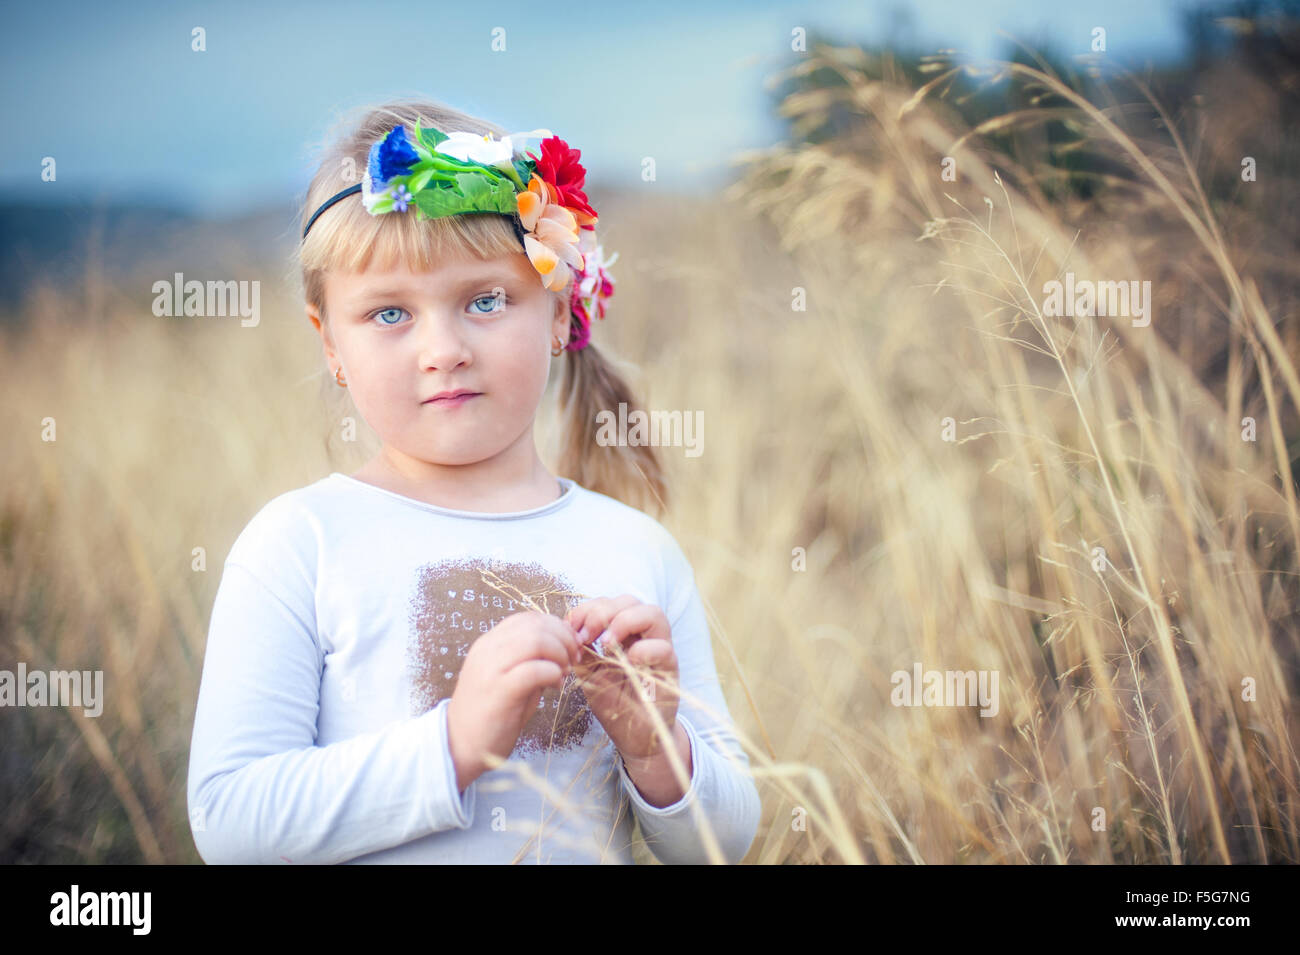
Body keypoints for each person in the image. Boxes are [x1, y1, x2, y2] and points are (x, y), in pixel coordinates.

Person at [185, 97, 761, 864]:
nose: (442, 348)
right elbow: (230, 822)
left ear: (557, 312)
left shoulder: (636, 551)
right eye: (389, 314)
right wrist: (452, 744)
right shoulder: (301, 544)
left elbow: (723, 842)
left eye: (486, 300)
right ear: (330, 342)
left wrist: (659, 748)